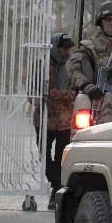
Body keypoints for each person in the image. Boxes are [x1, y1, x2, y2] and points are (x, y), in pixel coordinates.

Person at [39, 33, 76, 189]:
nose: (66, 52)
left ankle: (56, 189)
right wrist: (40, 98)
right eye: (63, 49)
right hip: (44, 117)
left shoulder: (72, 67)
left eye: (68, 49)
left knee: (61, 155)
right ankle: (55, 180)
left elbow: (77, 91)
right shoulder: (41, 65)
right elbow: (32, 89)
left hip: (65, 119)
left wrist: (63, 94)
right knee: (44, 153)